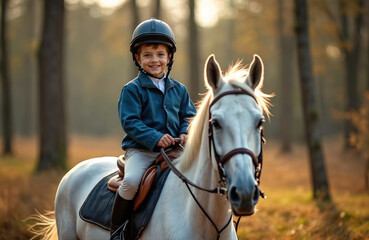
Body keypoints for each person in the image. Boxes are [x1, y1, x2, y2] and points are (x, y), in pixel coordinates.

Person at [110, 18, 196, 238]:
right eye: (147, 55)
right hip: (142, 151)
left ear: (169, 57)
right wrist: (156, 137)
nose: (154, 60)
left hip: (175, 151)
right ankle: (118, 231)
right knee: (130, 183)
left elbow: (189, 115)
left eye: (160, 55)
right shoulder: (132, 89)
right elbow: (130, 122)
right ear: (138, 58)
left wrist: (186, 131)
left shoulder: (180, 89)